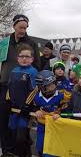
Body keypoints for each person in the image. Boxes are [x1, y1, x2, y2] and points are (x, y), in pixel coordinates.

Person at [0, 15, 40, 156]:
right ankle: (7, 151)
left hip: (24, 90)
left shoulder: (31, 44)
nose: (23, 30)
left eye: (25, 27)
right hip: (5, 87)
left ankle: (23, 152)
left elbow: (36, 67)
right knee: (4, 122)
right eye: (20, 27)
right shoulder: (4, 43)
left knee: (22, 128)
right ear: (14, 26)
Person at [6, 44, 38, 157]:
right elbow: (9, 87)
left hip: (25, 111)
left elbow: (34, 90)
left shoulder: (33, 72)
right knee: (14, 136)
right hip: (13, 110)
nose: (24, 59)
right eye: (21, 56)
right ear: (17, 58)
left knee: (22, 137)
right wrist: (8, 101)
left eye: (27, 56)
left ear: (32, 59)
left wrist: (26, 105)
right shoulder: (14, 71)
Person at [33, 70, 63, 155]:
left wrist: (59, 114)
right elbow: (34, 107)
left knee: (52, 151)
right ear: (41, 87)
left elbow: (66, 109)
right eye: (49, 85)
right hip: (42, 126)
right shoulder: (37, 97)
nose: (52, 87)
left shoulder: (62, 95)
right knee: (40, 147)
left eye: (53, 83)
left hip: (56, 127)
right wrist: (37, 111)